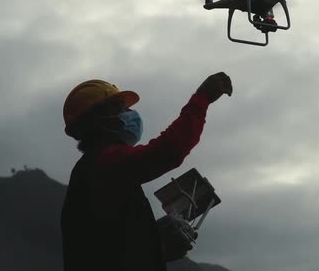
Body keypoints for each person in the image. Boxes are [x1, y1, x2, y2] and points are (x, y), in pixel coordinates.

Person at [60, 72, 233, 271]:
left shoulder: (94, 169)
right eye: (120, 108)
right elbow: (169, 150)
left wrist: (156, 245)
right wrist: (202, 98)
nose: (130, 113)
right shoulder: (103, 163)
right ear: (100, 121)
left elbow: (107, 251)